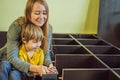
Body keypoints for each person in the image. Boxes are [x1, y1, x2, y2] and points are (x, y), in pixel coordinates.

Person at [0, 0, 58, 80]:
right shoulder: (16, 26)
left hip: (30, 63)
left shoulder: (48, 28)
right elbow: (12, 58)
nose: (41, 17)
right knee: (6, 68)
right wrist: (35, 68)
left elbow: (45, 53)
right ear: (28, 13)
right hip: (10, 59)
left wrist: (50, 66)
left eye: (44, 13)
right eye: (37, 13)